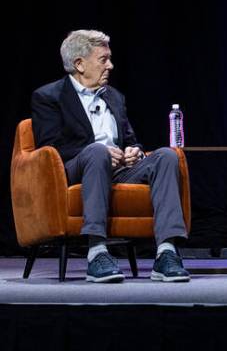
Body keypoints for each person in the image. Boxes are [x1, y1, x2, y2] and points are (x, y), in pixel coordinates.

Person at [31, 29, 191, 283]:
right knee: (96, 152)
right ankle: (96, 252)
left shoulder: (114, 97)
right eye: (103, 59)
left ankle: (166, 253)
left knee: (165, 156)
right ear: (79, 64)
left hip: (118, 168)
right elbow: (49, 148)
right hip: (73, 169)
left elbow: (129, 140)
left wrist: (133, 151)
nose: (111, 65)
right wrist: (101, 152)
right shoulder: (49, 97)